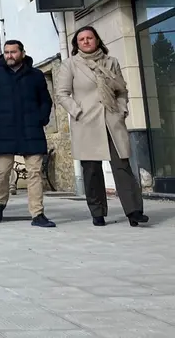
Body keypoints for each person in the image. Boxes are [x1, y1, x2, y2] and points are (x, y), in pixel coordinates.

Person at [55, 26, 148, 227]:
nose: (86, 41)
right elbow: (61, 94)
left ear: (97, 40)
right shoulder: (70, 64)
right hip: (86, 122)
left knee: (122, 166)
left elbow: (122, 90)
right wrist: (77, 111)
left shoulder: (111, 62)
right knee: (91, 170)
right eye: (81, 39)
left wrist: (122, 109)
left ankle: (134, 211)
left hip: (112, 120)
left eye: (90, 38)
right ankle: (97, 213)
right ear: (76, 44)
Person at [0, 40, 56, 228]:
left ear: (22, 52)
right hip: (3, 129)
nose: (9, 56)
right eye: (6, 52)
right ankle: (0, 203)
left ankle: (37, 213)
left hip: (31, 129)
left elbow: (45, 100)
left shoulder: (36, 75)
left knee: (35, 172)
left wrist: (41, 118)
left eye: (13, 52)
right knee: (2, 171)